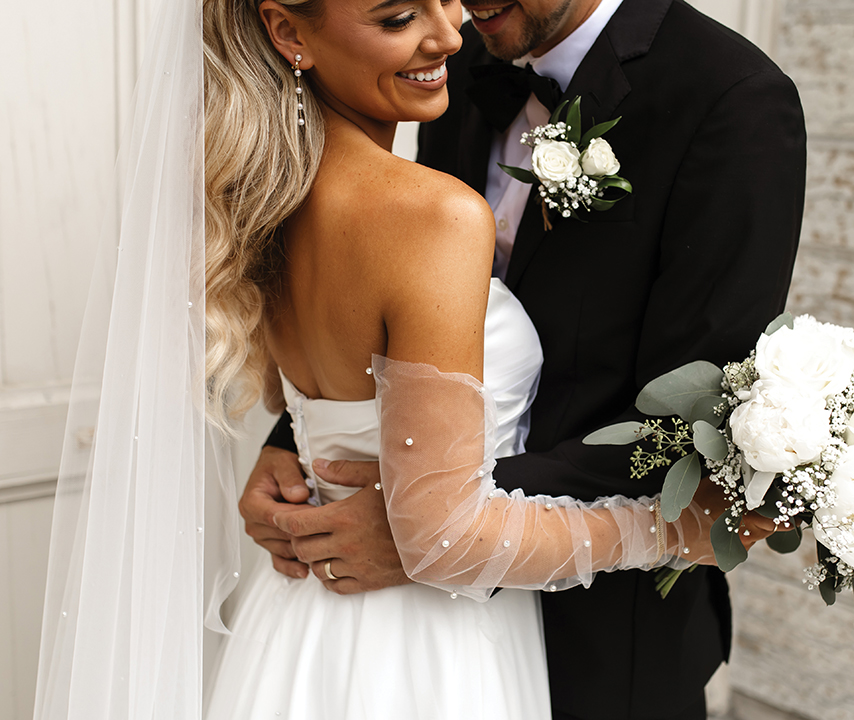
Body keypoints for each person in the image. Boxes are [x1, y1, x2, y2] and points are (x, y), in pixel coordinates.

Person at [241, 0, 807, 718]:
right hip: (397, 630)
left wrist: (430, 524)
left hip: (603, 637)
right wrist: (295, 438)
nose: (459, 10)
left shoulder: (732, 100)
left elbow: (691, 421)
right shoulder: (464, 61)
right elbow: (389, 304)